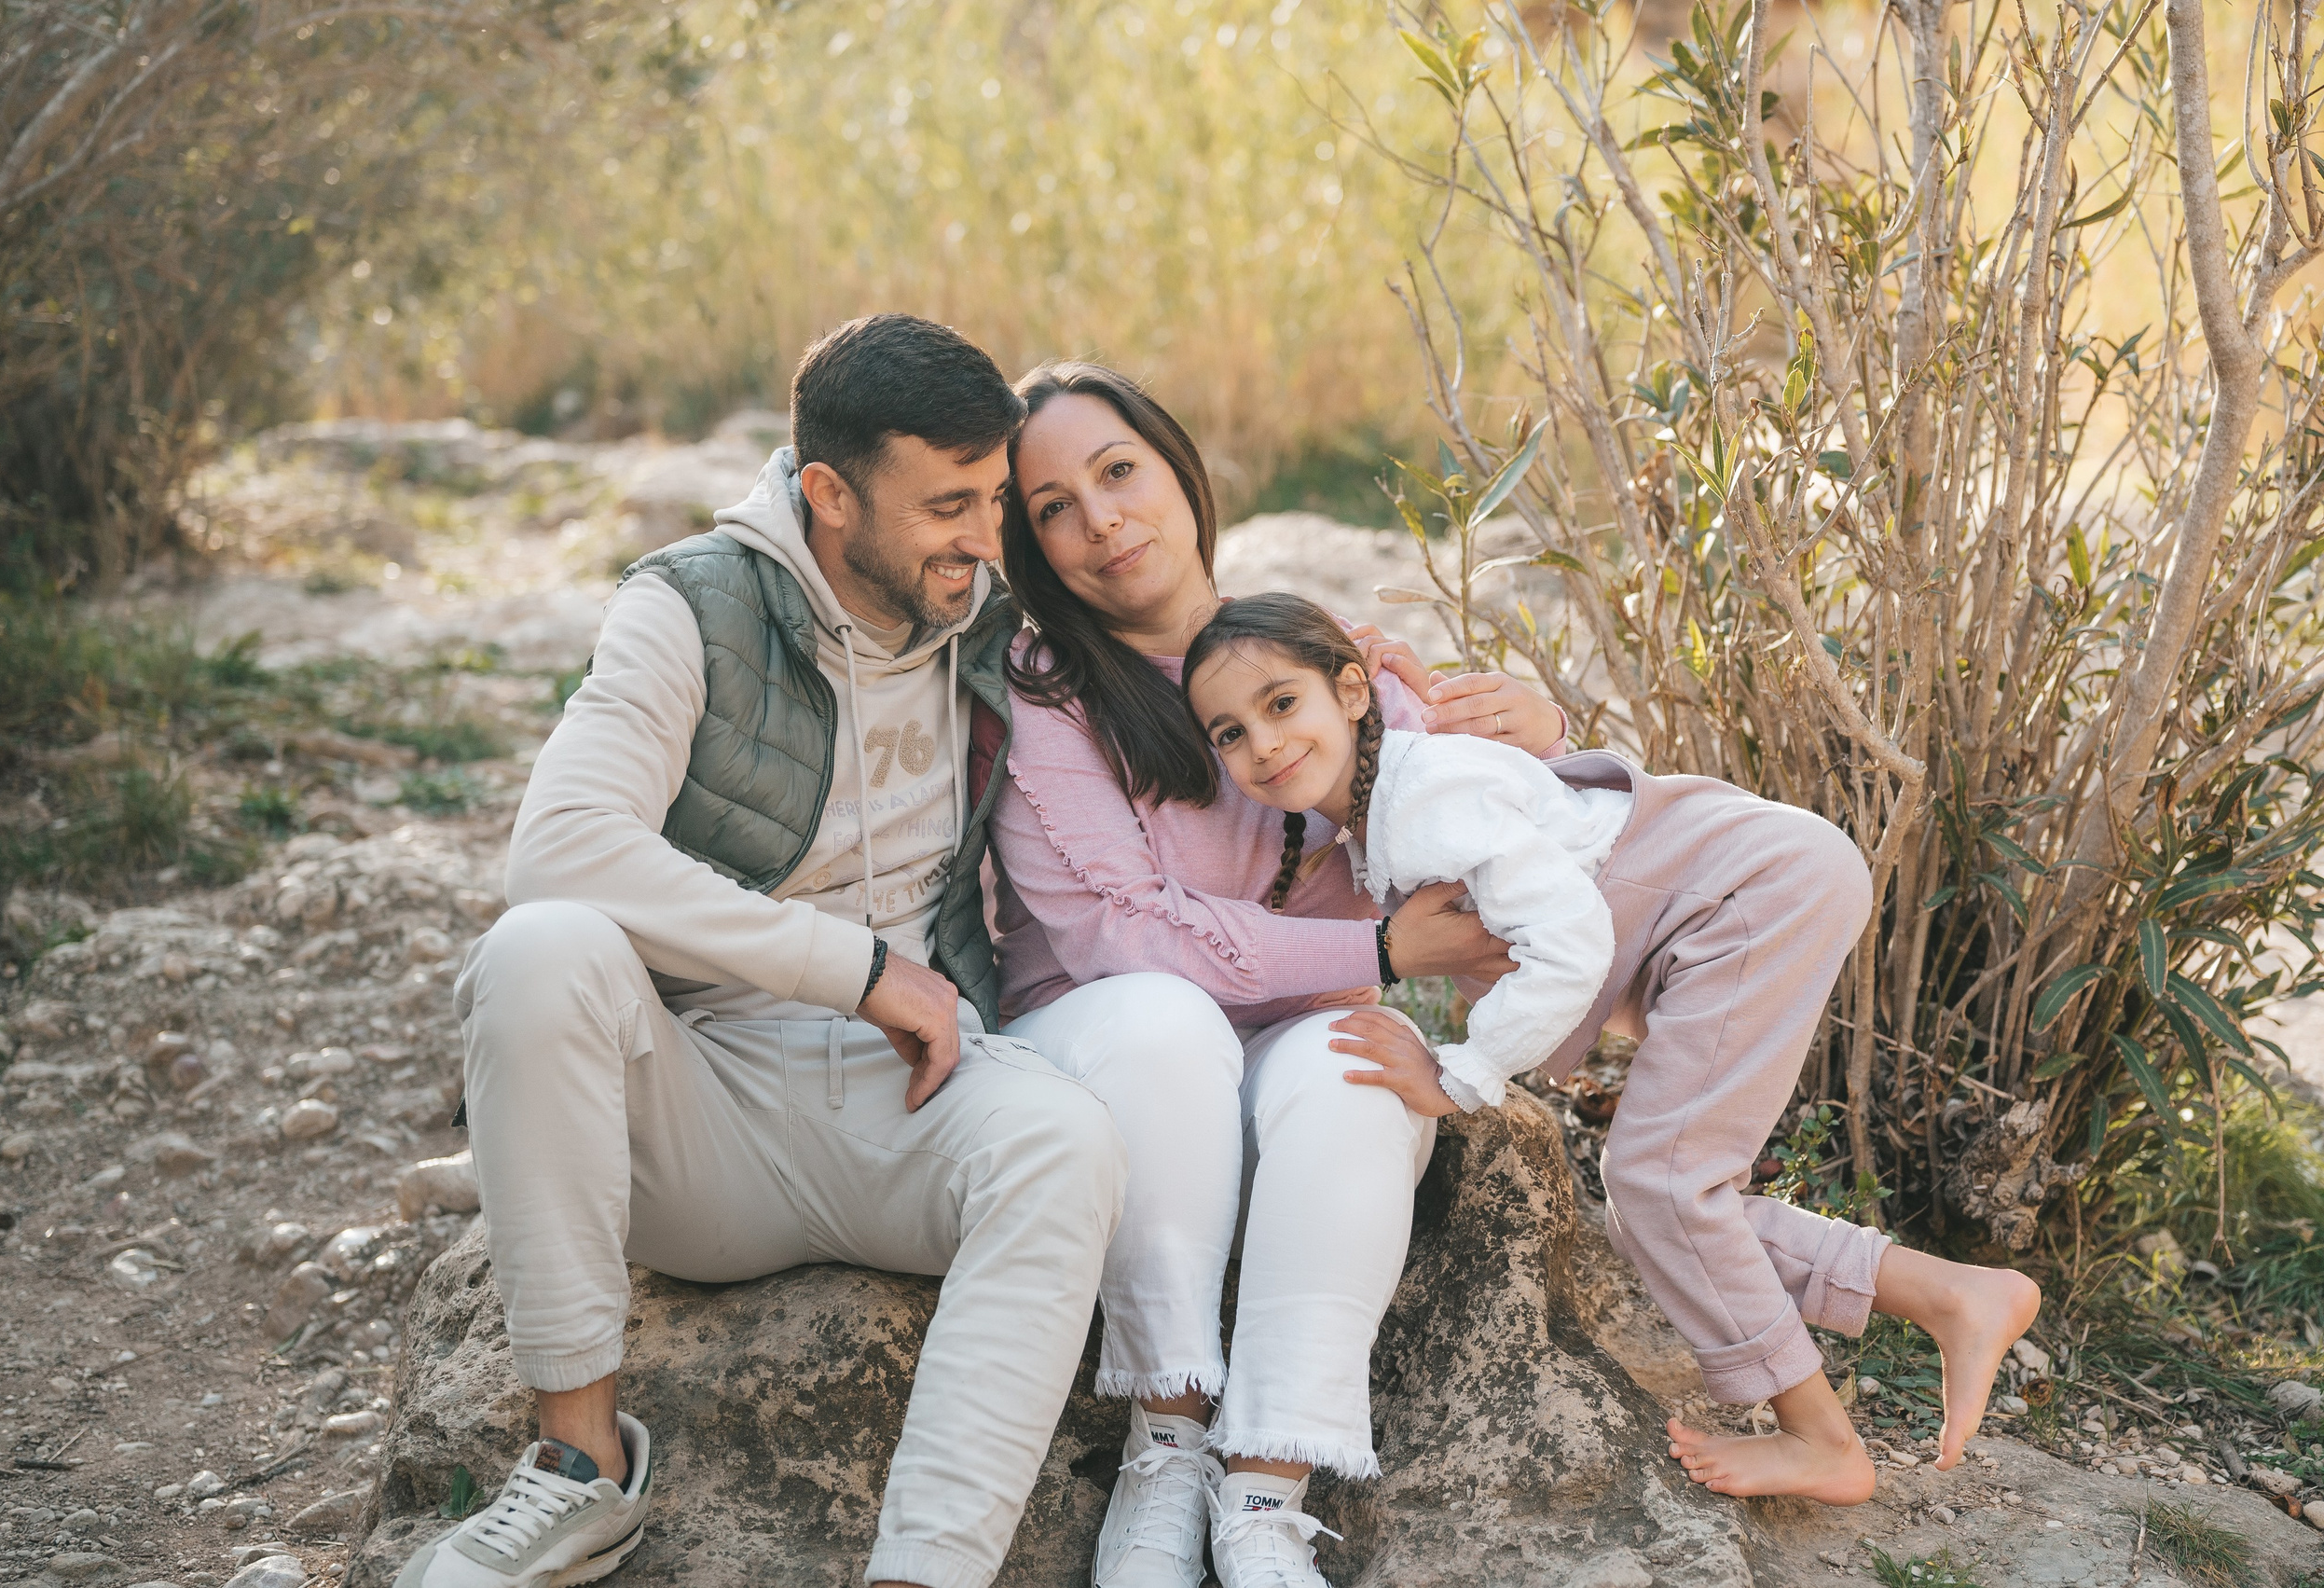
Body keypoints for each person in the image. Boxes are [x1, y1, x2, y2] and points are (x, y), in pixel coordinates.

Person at [405, 315, 1129, 1588]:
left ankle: (923, 1572)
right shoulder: (689, 604)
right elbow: (559, 846)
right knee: (539, 950)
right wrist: (856, 970)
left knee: (1065, 1142)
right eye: (947, 504)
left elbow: (1199, 644)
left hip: (906, 1098)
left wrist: (1393, 693)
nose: (984, 536)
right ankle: (580, 1470)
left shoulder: (993, 608)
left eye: (994, 499)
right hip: (699, 1106)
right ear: (830, 494)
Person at [1177, 591, 2045, 1512]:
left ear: (1352, 692)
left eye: (1282, 703)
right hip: (1736, 899)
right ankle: (1947, 1294)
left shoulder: (1426, 796)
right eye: (1230, 733)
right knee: (1657, 1210)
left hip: (1750, 894)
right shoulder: (1384, 805)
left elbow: (1571, 941)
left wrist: (1459, 1071)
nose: (1264, 743)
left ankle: (1822, 1439)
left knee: (1660, 1180)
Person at [981, 362, 1570, 1588]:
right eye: (1053, 507)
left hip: (1286, 1043)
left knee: (1360, 1072)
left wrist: (1541, 734)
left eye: (1119, 470)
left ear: (1180, 469)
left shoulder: (1317, 653)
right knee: (1165, 1015)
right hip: (1103, 1052)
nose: (1102, 519)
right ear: (1031, 546)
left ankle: (1265, 1495)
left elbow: (1510, 838)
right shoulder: (1045, 690)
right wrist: (1382, 950)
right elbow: (1124, 937)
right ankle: (1166, 1443)